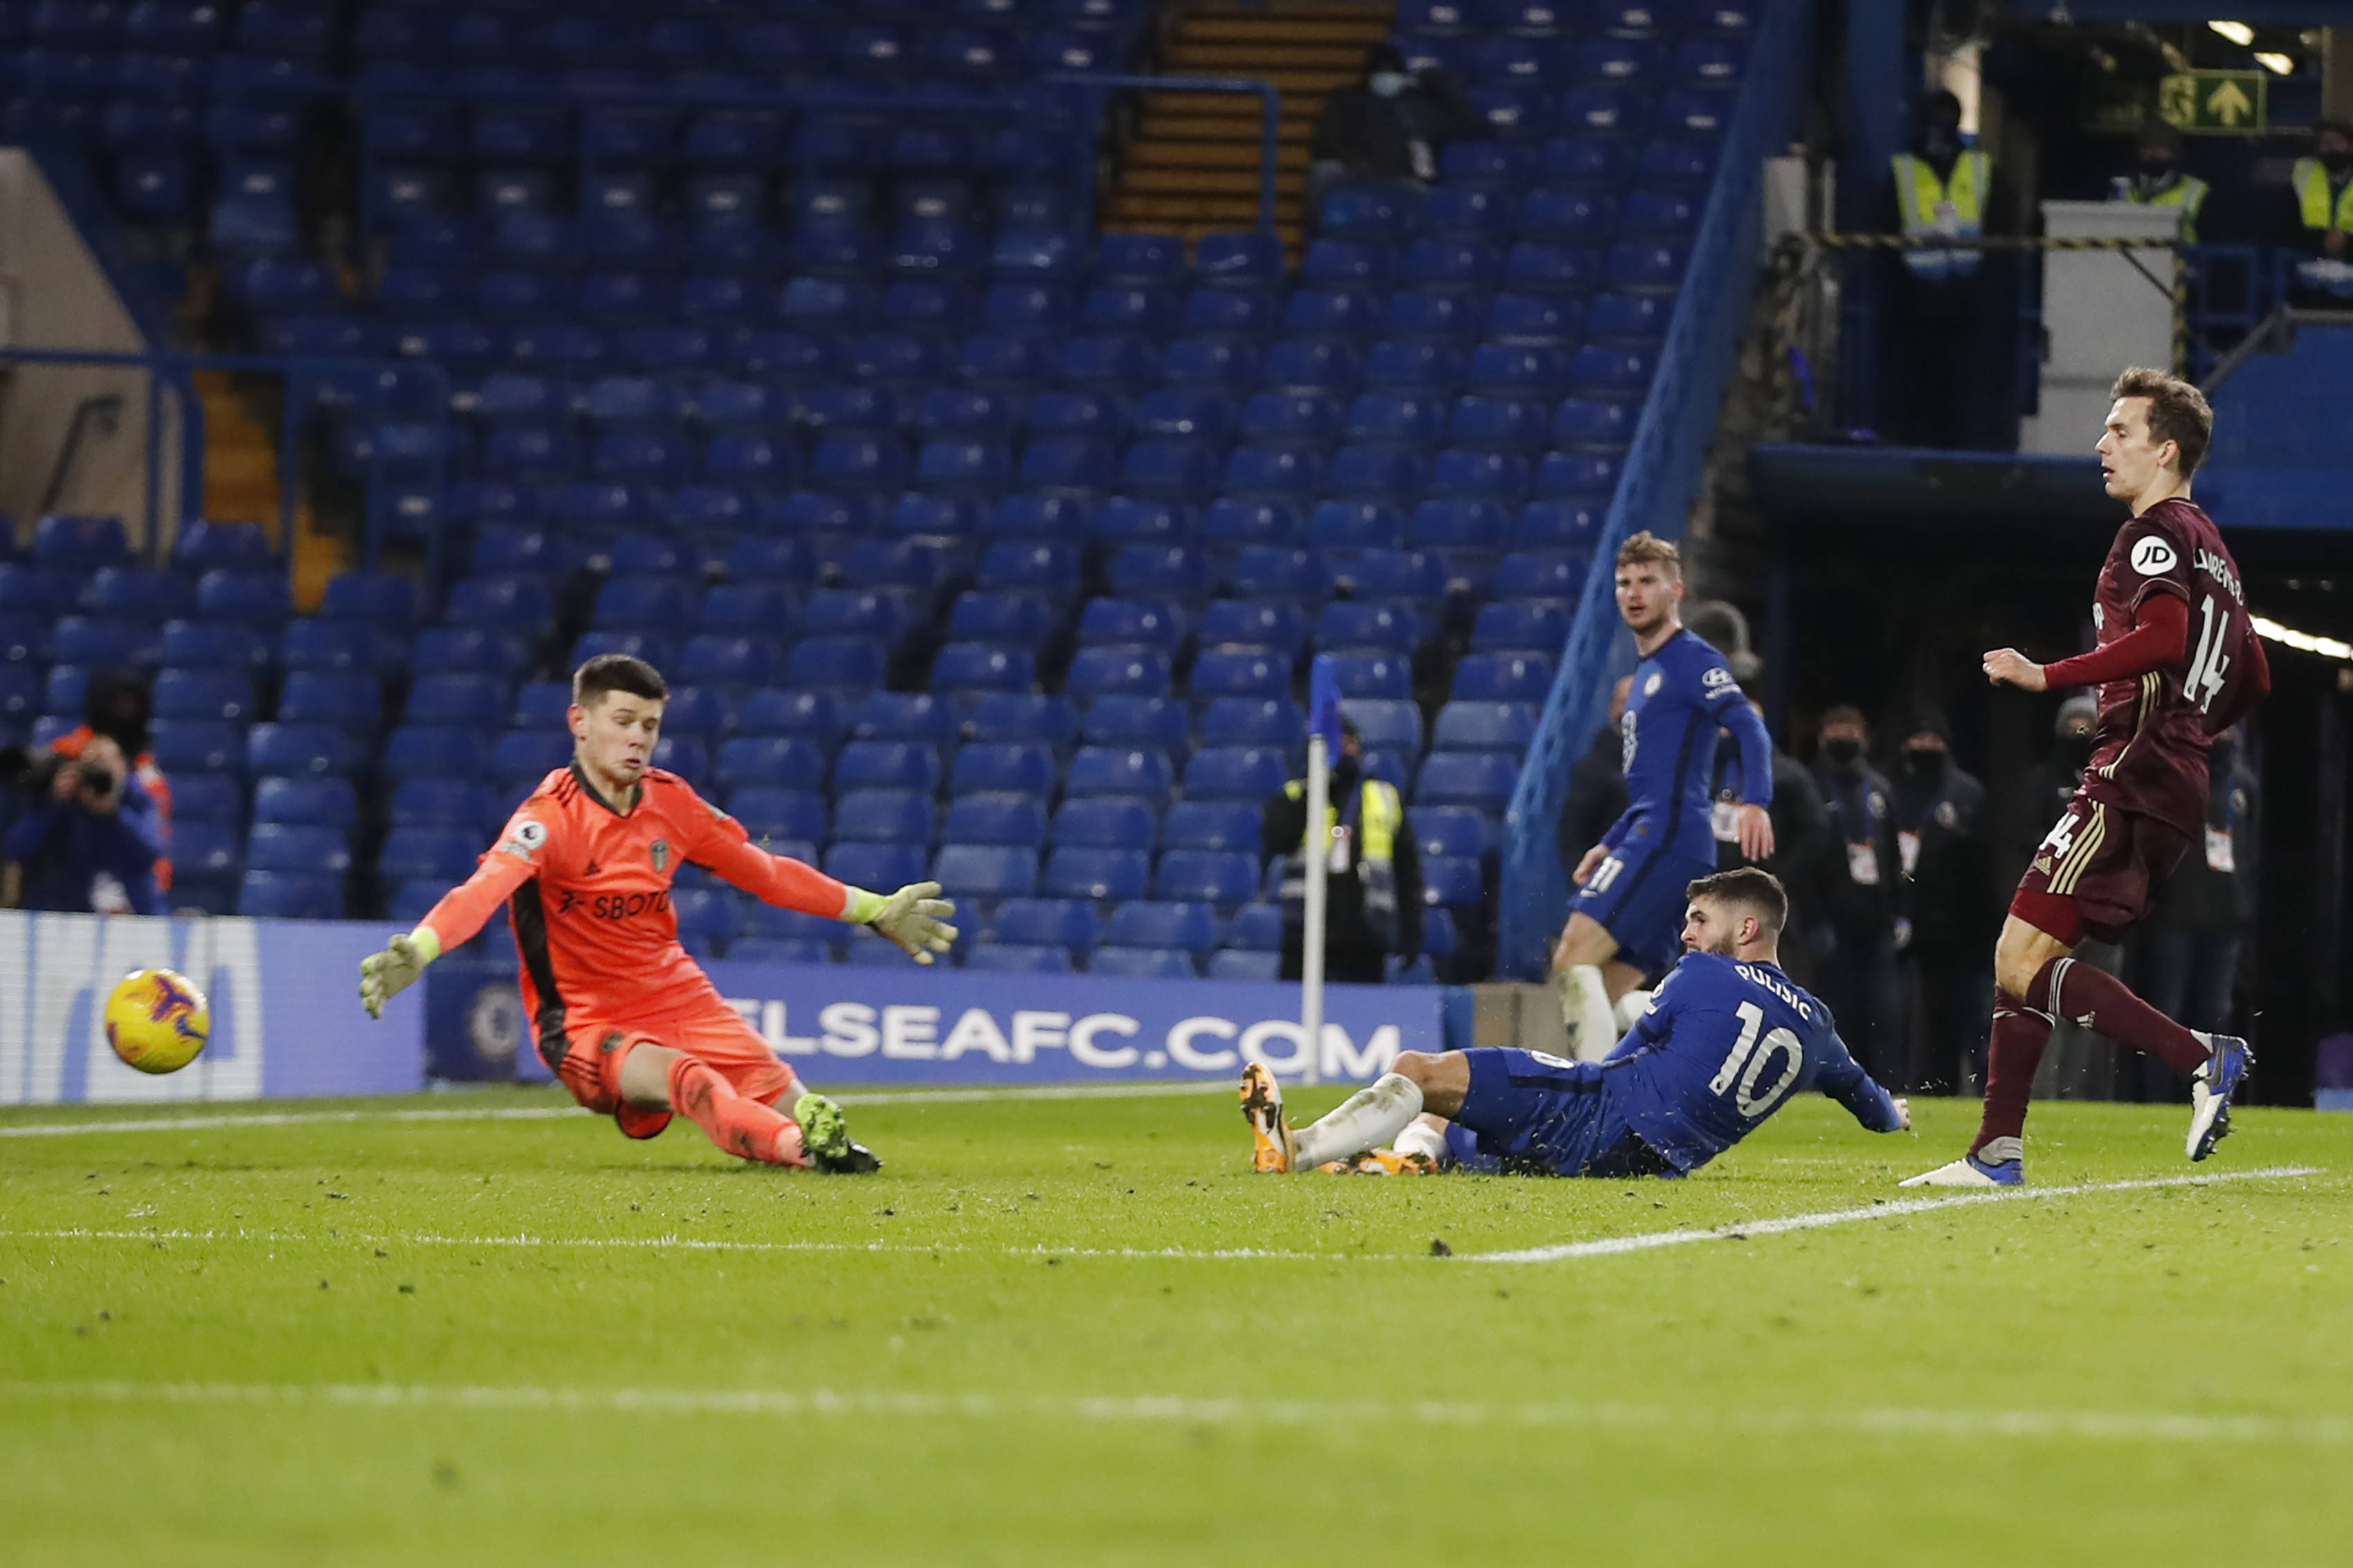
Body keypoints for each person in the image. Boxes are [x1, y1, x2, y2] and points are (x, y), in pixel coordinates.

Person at [356, 655, 956, 1172]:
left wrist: (875, 909)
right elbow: (483, 891)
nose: (638, 738)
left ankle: (813, 1137)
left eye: (650, 725)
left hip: (677, 994)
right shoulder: (548, 820)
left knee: (790, 1094)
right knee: (692, 1081)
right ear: (580, 724)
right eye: (623, 722)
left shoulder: (672, 803)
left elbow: (767, 874)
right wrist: (424, 946)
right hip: (586, 1022)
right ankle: (800, 1151)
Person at [1907, 367, 2269, 1188]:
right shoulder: (2217, 552)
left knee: (2014, 954)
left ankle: (2198, 1057)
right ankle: (1996, 1152)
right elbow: (2253, 675)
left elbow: (2166, 636)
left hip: (2130, 769)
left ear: (2164, 449)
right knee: (2026, 955)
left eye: (2120, 432)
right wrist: (2194, 734)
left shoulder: (2151, 534)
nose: (2101, 445)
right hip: (2176, 776)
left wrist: (2049, 674)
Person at [1240, 868, 1909, 1178]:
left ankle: (1294, 1149)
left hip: (1604, 1117)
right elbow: (1872, 1106)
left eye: (1700, 920)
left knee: (1422, 1070)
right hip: (1646, 1168)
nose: (1687, 933)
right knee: (1459, 1127)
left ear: (1748, 927)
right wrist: (1896, 1115)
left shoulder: (1703, 974)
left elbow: (1616, 1065)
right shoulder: (1818, 1025)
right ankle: (1406, 1162)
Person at [1554, 532, 1774, 1061]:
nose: (1634, 593)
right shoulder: (1649, 672)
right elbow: (1650, 782)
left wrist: (1756, 799)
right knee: (1605, 990)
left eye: (1647, 581)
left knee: (1570, 960)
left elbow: (1749, 726)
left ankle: (1586, 1106)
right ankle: (1695, 1042)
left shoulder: (1691, 659)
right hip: (1652, 833)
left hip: (1668, 839)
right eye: (1625, 583)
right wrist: (1610, 842)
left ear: (1676, 591)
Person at [2128, 724, 2259, 1102]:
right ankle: (2156, 1100)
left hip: (2225, 919)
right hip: (2176, 916)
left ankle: (2208, 1098)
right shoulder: (2175, 777)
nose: (2227, 732)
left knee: (2215, 1015)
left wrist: (2243, 904)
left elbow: (2249, 853)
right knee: (2167, 1013)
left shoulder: (2243, 782)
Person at [1261, 711, 1421, 984]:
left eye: (1350, 743)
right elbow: (1277, 840)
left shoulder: (1385, 797)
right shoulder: (1296, 793)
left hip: (1366, 936)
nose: (1344, 751)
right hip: (1305, 935)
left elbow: (1408, 871)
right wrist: (1316, 788)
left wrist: (1412, 929)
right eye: (1336, 744)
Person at [1889, 709, 1998, 1094]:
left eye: (1933, 740)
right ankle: (1900, 1086)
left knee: (1966, 1021)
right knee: (1900, 1018)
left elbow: (1984, 867)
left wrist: (1984, 931)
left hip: (1958, 931)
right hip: (1898, 922)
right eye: (1918, 740)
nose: (1925, 747)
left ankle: (1962, 1092)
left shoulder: (1966, 794)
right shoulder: (1888, 790)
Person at [1714, 696, 1836, 988]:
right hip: (1715, 893)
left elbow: (1816, 831)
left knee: (1770, 977)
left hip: (1765, 895)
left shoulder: (1788, 775)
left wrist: (1779, 877)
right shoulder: (1710, 770)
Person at [1810, 704, 1902, 1084]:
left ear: (1864, 736)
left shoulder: (1879, 789)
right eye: (1836, 728)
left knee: (1881, 1010)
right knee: (1833, 1009)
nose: (1844, 736)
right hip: (1831, 916)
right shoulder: (1811, 785)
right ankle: (1828, 1082)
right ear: (1821, 736)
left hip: (1876, 919)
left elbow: (1894, 855)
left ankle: (1881, 1085)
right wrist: (1811, 919)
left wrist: (1901, 911)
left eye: (1850, 728)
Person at [1307, 43, 1477, 231]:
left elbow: (1472, 126)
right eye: (1380, 72)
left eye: (1392, 72)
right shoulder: (1345, 100)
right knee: (1322, 174)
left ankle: (1411, 249)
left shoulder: (1419, 105)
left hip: (1403, 177)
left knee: (1423, 197)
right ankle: (1322, 237)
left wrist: (1435, 82)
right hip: (1356, 171)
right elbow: (1325, 141)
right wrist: (1353, 161)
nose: (1386, 77)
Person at [2, 728, 164, 913]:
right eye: (93, 766)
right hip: (71, 917)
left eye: (107, 765)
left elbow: (151, 850)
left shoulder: (138, 798)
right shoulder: (65, 802)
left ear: (122, 765)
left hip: (135, 917)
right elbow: (16, 848)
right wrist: (55, 804)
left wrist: (114, 812)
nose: (100, 774)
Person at [49, 668, 172, 895]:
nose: (124, 712)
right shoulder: (65, 754)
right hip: (71, 880)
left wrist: (114, 810)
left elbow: (154, 844)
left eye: (131, 704)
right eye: (116, 703)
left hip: (132, 886)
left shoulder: (146, 773)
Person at [1559, 675, 1633, 880]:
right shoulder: (1595, 769)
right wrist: (1585, 883)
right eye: (1629, 701)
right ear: (1614, 710)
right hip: (1612, 883)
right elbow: (1573, 833)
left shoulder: (1674, 762)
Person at [2286, 118, 2353, 305]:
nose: (2330, 148)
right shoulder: (2303, 174)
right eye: (2324, 143)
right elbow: (2287, 224)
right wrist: (2321, 241)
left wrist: (2346, 238)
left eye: (2336, 142)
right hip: (2311, 261)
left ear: (2350, 146)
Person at [2114, 122, 2207, 243]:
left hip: (2179, 259)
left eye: (2160, 147)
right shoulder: (2121, 188)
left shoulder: (2197, 189)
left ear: (2174, 152)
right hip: (2127, 258)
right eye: (2147, 147)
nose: (2153, 153)